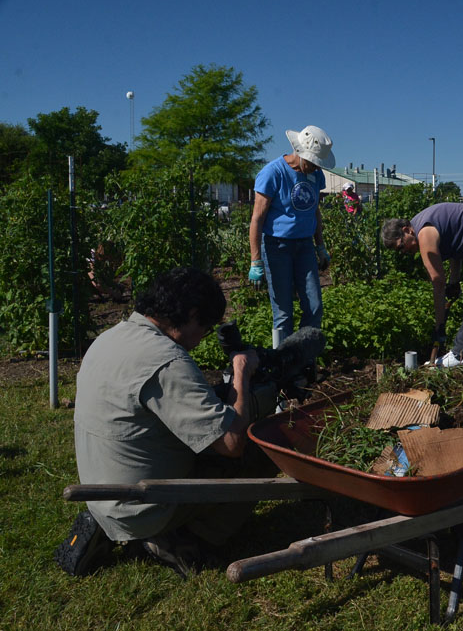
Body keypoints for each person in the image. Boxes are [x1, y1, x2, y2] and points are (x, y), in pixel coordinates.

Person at [55, 267, 272, 578]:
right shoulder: (167, 361)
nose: (201, 340)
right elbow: (232, 444)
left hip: (100, 493)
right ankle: (180, 540)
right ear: (192, 314)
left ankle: (114, 526)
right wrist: (241, 373)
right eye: (206, 328)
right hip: (142, 506)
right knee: (263, 451)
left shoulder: (110, 338)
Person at [382, 202, 463, 367]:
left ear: (407, 230)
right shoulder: (421, 227)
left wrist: (439, 325)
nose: (403, 251)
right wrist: (454, 281)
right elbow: (456, 246)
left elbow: (438, 283)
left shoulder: (424, 234)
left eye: (401, 246)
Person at [248, 125, 335, 340]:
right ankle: (283, 367)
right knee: (284, 313)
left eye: (318, 164)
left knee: (314, 308)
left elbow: (315, 212)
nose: (316, 168)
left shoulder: (316, 175)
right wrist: (255, 261)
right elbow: (257, 218)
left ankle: (305, 360)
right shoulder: (273, 173)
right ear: (300, 153)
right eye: (313, 162)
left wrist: (320, 246)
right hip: (278, 247)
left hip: (304, 246)